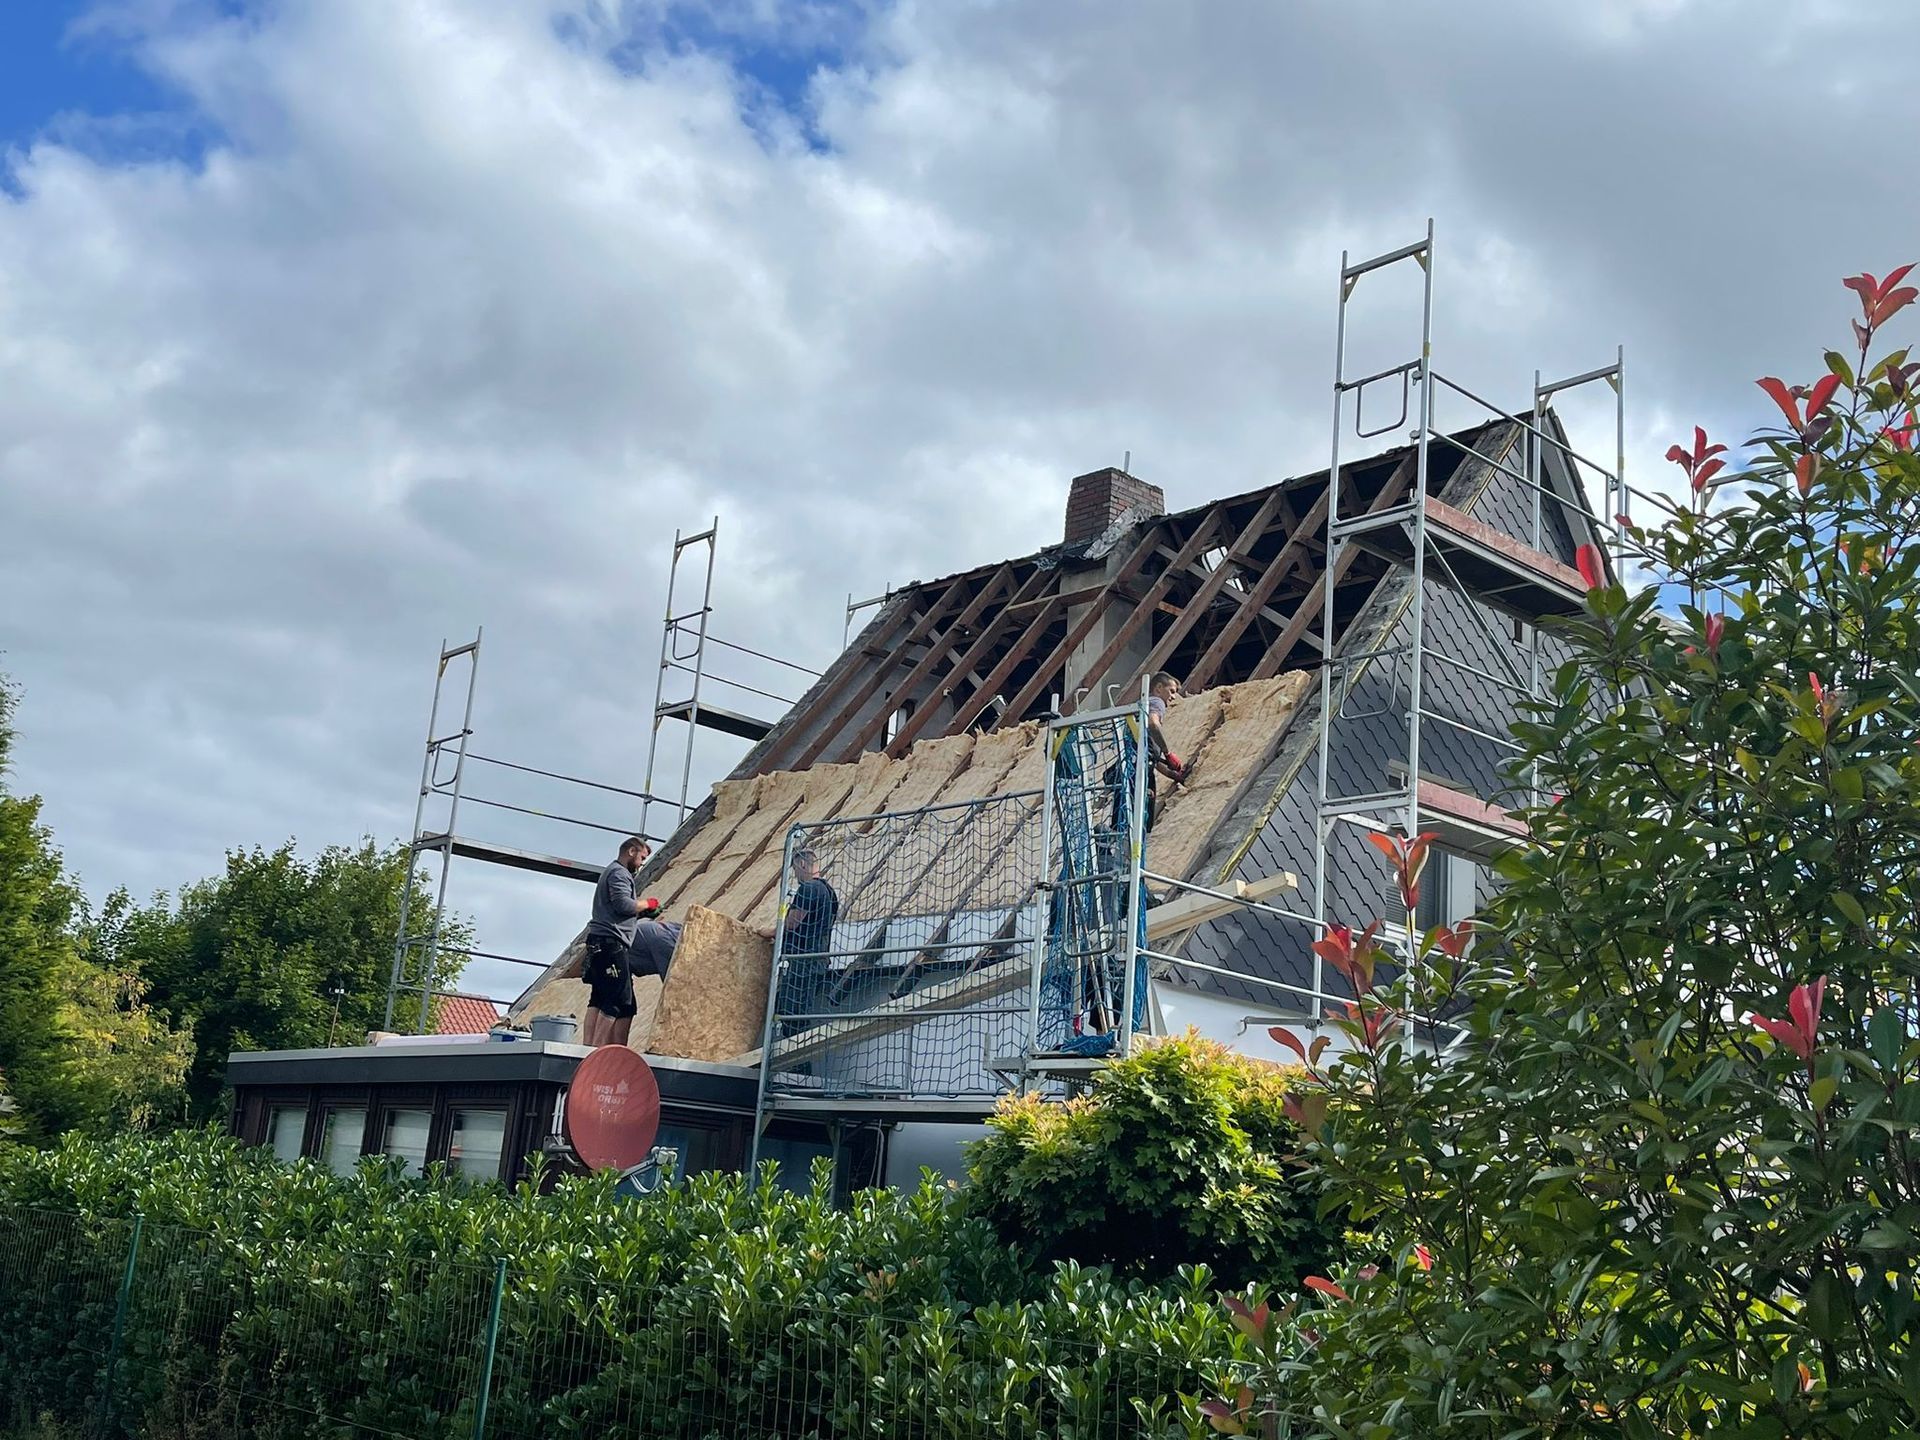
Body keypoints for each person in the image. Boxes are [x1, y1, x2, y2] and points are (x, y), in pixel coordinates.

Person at [581, 836, 650, 1047]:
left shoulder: (610, 872)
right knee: (617, 999)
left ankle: (588, 1048)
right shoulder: (619, 873)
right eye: (642, 858)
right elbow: (623, 905)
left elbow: (618, 908)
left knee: (600, 997)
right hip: (611, 944)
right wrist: (647, 904)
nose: (641, 864)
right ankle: (597, 1050)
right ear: (631, 851)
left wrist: (641, 913)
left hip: (601, 943)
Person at [773, 849, 839, 1037]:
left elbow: (792, 923)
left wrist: (769, 932)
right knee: (798, 1010)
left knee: (792, 1012)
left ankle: (795, 1052)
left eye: (795, 870)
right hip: (817, 959)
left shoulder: (808, 888)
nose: (796, 875)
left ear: (802, 864)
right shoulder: (829, 892)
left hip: (803, 962)